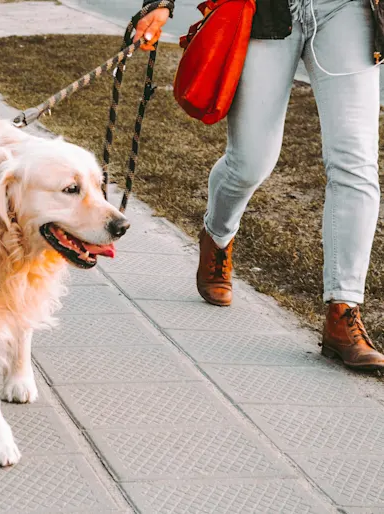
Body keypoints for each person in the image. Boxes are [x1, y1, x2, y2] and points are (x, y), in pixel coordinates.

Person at [134, 0, 384, 371]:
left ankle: (343, 310)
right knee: (250, 161)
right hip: (267, 9)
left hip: (346, 9)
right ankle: (217, 234)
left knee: (355, 163)